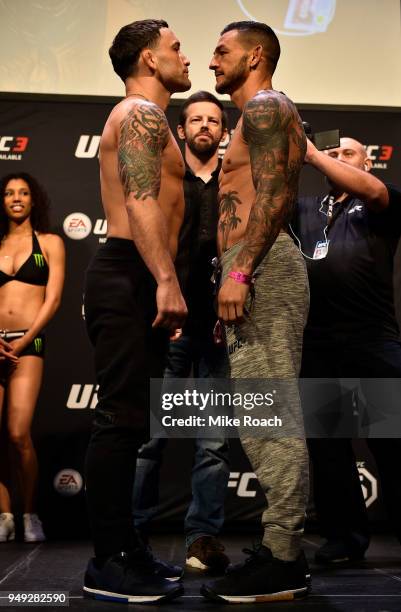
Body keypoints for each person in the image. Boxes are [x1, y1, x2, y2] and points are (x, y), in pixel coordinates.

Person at [200, 21, 310, 604]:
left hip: (263, 266)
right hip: (253, 267)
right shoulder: (249, 118)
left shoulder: (266, 105)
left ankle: (285, 557)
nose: (211, 61)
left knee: (272, 415)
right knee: (260, 415)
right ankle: (280, 549)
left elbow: (277, 191)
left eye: (222, 50)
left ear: (256, 55)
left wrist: (241, 269)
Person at [82, 19, 190, 604]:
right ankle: (107, 562)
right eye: (176, 48)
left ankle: (124, 547)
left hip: (136, 272)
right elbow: (140, 199)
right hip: (131, 271)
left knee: (132, 423)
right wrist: (165, 279)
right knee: (121, 422)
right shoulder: (139, 115)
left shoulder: (148, 118)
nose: (186, 56)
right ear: (149, 59)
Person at [132, 91, 230, 573]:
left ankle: (203, 539)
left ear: (224, 131)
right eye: (196, 119)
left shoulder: (236, 184)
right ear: (182, 130)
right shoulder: (168, 179)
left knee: (213, 443)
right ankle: (134, 535)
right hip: (168, 325)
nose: (205, 126)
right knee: (151, 438)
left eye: (213, 119)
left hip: (219, 330)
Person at [294, 136, 401, 564]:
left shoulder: (380, 200)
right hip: (319, 342)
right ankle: (345, 539)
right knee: (330, 449)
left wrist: (314, 154)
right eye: (332, 154)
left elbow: (372, 191)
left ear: (368, 163)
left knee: (393, 446)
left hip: (371, 341)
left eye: (348, 154)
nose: (337, 158)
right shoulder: (306, 209)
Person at [0, 172, 65, 543]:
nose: (16, 198)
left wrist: (22, 342)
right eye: (9, 193)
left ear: (34, 199)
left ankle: (30, 513)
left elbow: (53, 300)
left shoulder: (50, 243)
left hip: (28, 345)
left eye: (23, 192)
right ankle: (5, 514)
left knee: (18, 432)